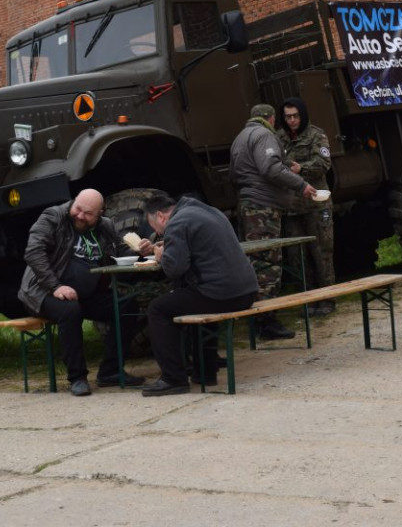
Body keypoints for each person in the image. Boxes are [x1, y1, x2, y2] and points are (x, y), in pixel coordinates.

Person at [18, 188, 143, 396]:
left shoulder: (105, 226)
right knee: (70, 311)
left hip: (86, 294)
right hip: (42, 292)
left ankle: (111, 371)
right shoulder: (53, 217)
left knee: (126, 304)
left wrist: (140, 250)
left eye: (88, 214)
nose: (80, 216)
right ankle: (77, 377)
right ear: (74, 201)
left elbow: (121, 252)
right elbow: (33, 252)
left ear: (100, 214)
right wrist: (55, 287)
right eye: (78, 209)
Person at [139, 193, 260, 396]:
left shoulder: (177, 223)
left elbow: (174, 269)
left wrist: (161, 256)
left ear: (160, 216)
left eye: (156, 228)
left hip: (223, 294)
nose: (159, 233)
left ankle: (173, 378)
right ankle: (206, 372)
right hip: (246, 291)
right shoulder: (209, 211)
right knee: (195, 296)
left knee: (158, 309)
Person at [230, 103, 317, 340]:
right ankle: (267, 321)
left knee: (254, 259)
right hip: (263, 208)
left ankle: (257, 318)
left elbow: (237, 173)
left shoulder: (240, 137)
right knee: (267, 261)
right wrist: (301, 184)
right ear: (270, 118)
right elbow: (270, 168)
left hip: (248, 204)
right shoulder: (264, 135)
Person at [277, 97, 336, 315]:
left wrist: (301, 169)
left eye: (295, 116)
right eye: (288, 117)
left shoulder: (316, 135)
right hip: (292, 207)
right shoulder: (279, 138)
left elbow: (324, 163)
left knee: (321, 253)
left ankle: (327, 300)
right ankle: (309, 301)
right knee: (298, 257)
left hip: (316, 204)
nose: (292, 120)